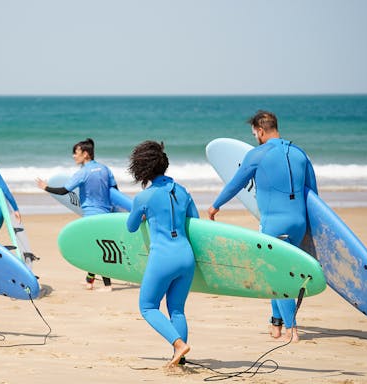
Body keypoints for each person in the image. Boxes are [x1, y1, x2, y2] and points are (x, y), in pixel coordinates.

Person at [207, 110, 318, 343]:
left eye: (254, 133)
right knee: (278, 270)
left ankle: (292, 329)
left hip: (274, 224)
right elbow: (313, 194)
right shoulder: (300, 153)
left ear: (260, 130)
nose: (254, 137)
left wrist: (215, 206)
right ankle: (276, 325)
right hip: (299, 223)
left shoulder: (257, 155)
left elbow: (235, 184)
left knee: (275, 275)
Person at [126, 140, 198, 367]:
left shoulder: (144, 197)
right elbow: (195, 222)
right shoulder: (183, 191)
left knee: (148, 306)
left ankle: (178, 344)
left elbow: (131, 226)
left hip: (162, 258)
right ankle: (180, 358)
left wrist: (146, 214)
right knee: (176, 308)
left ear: (142, 168)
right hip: (186, 257)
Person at [35, 138, 116, 292]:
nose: (73, 156)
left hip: (91, 216)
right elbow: (115, 192)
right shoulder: (105, 169)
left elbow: (64, 191)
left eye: (76, 153)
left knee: (96, 249)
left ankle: (107, 285)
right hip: (107, 214)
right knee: (97, 246)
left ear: (85, 154)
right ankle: (90, 281)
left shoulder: (83, 173)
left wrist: (46, 187)